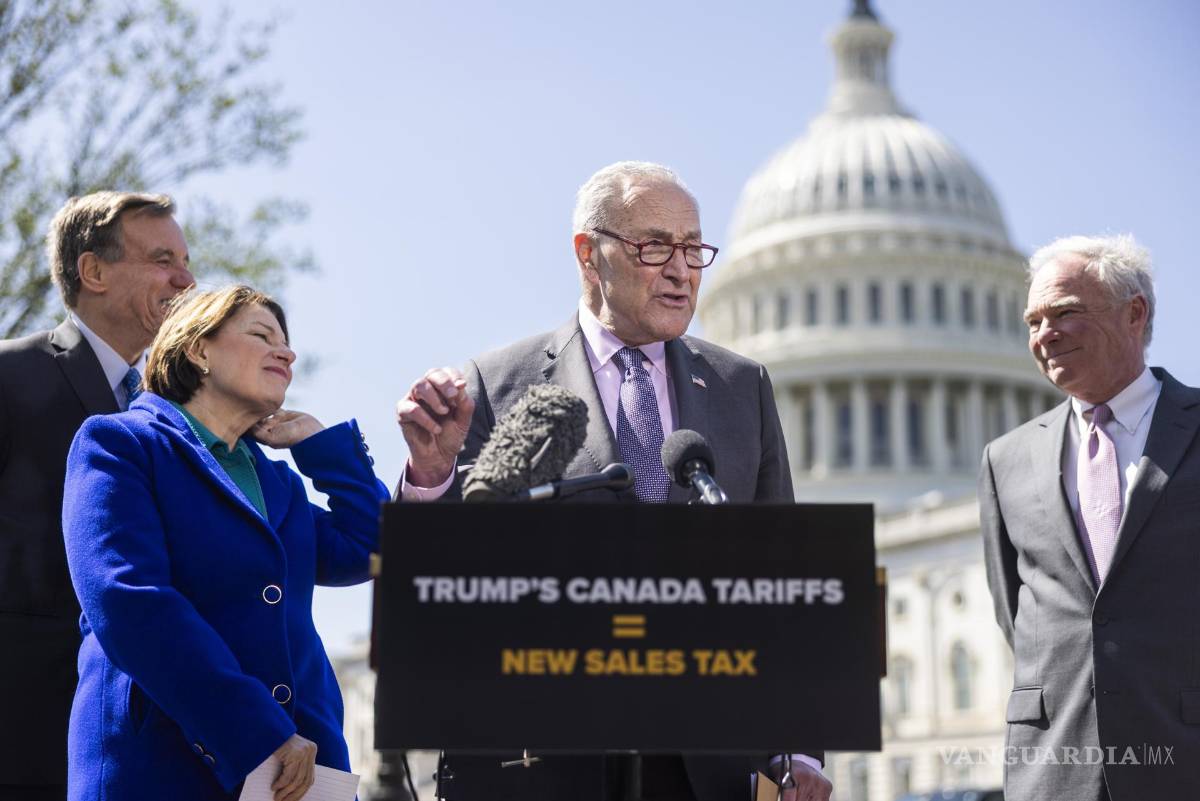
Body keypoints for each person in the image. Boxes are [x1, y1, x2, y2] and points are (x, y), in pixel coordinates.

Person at [397, 161, 831, 801]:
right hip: (545, 765)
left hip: (707, 771)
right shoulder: (499, 383)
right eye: (655, 246)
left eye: (692, 249)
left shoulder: (742, 387)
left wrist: (798, 749)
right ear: (588, 253)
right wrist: (431, 478)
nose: (682, 271)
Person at [62, 285, 388, 801]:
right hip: (160, 768)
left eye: (287, 343)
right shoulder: (119, 444)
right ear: (198, 349)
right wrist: (258, 732)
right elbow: (128, 601)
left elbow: (373, 548)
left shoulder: (279, 483)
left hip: (303, 773)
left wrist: (324, 447)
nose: (287, 353)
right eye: (262, 335)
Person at [979, 234, 1200, 801]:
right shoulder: (1006, 460)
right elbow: (1017, 615)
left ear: (1134, 313)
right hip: (1055, 768)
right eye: (1033, 321)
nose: (1044, 334)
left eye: (1064, 313)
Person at [0, 192, 194, 800]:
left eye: (186, 262)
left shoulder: (184, 412)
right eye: (163, 260)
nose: (186, 281)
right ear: (94, 271)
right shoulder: (9, 376)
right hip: (26, 736)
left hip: (153, 750)